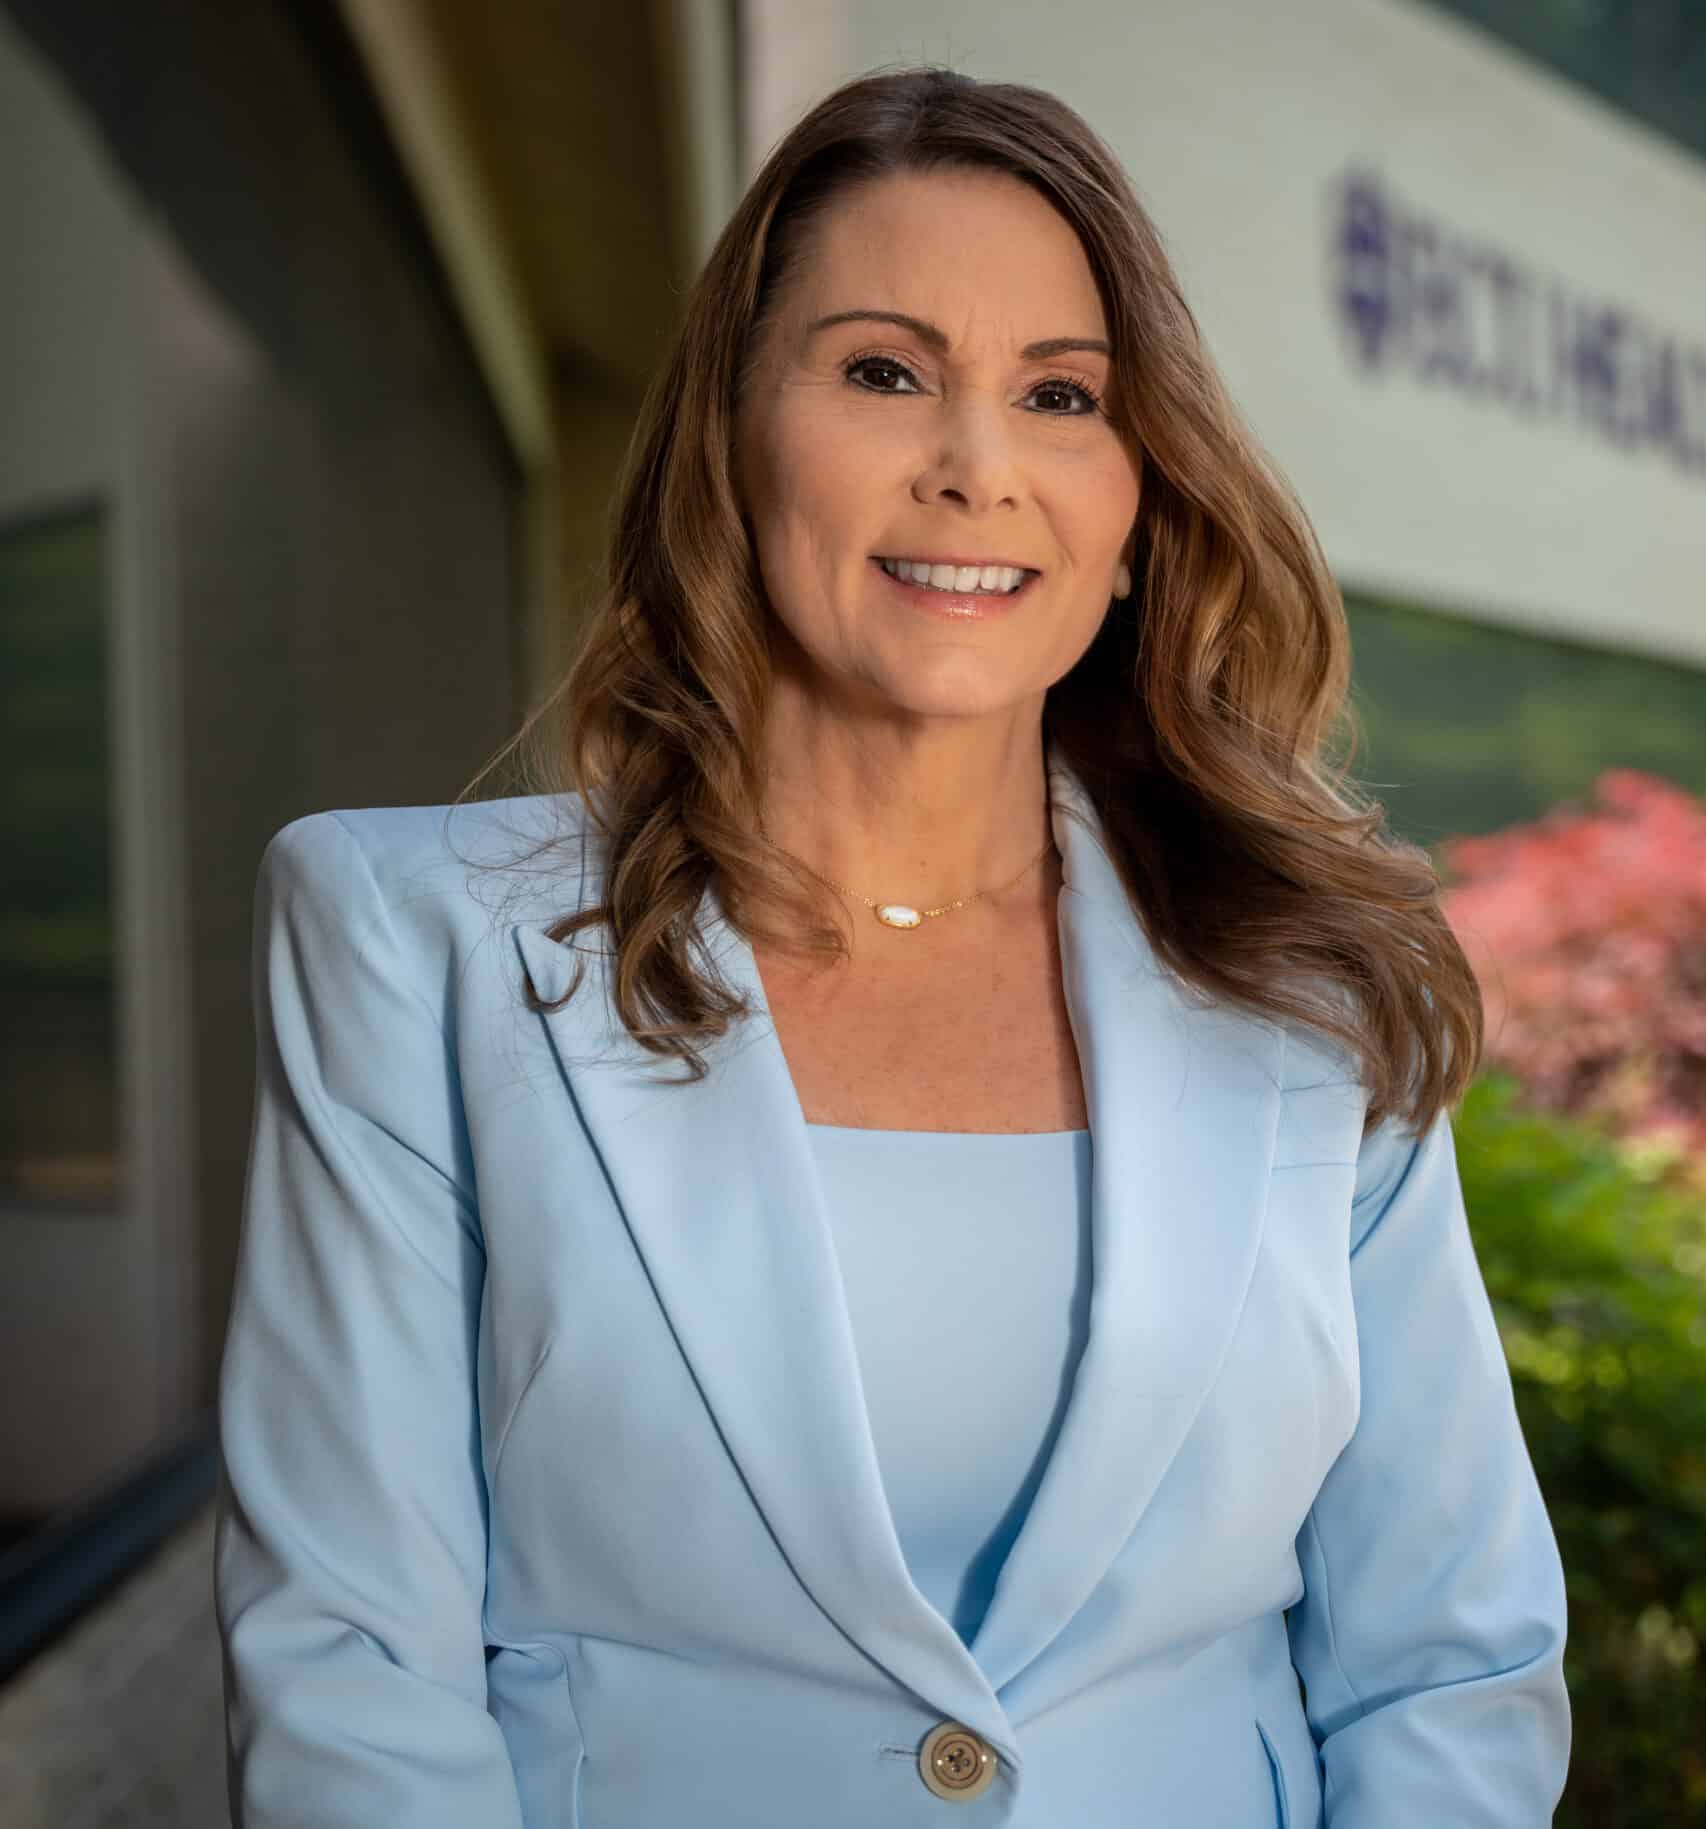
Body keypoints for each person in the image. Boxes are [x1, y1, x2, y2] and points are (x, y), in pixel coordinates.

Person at [213, 64, 1570, 1829]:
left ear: (1138, 498)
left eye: (1061, 394)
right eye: (883, 371)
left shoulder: (1310, 991)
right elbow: (353, 1679)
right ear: (734, 429)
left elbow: (1446, 1662)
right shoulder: (414, 948)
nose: (976, 469)